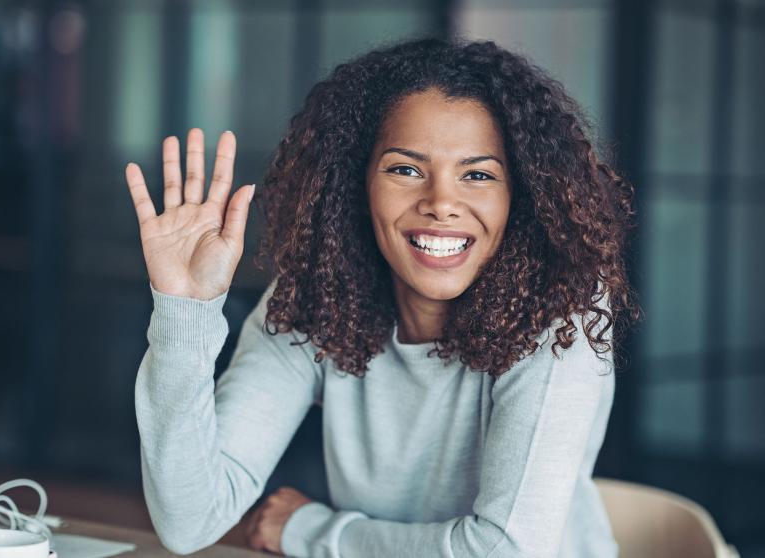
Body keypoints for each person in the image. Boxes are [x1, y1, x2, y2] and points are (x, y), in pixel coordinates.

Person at [125, 37, 641, 558]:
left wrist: (312, 532)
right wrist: (184, 312)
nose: (441, 203)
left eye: (478, 174)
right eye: (405, 169)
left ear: (521, 196)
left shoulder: (557, 316)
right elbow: (189, 521)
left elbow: (508, 551)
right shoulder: (318, 298)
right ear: (358, 181)